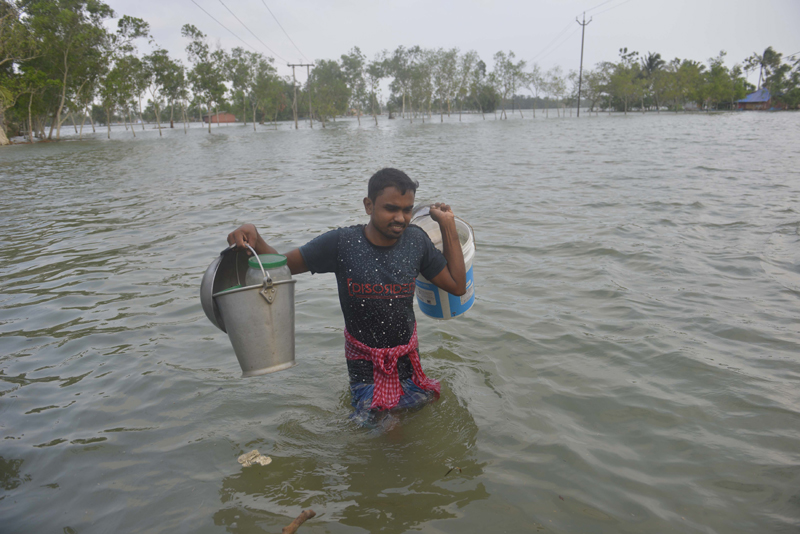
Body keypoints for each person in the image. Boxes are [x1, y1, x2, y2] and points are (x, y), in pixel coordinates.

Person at [227, 168, 466, 424]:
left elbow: (457, 286)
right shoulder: (342, 244)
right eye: (390, 208)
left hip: (407, 364)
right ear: (368, 205)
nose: (400, 218)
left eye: (407, 210)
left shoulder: (416, 242)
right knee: (389, 430)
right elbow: (281, 267)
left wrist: (447, 224)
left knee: (421, 423)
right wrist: (255, 235)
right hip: (365, 370)